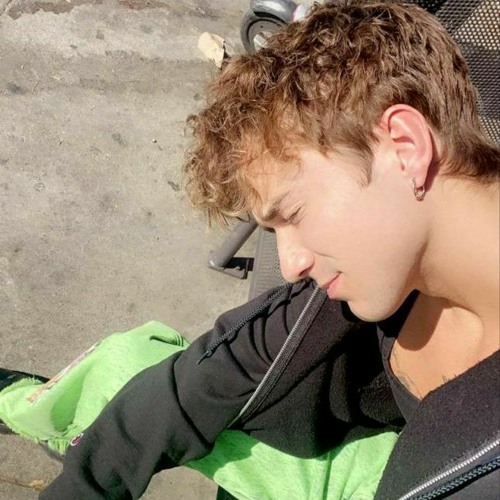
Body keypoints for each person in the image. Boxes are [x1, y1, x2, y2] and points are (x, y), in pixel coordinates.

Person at [39, 1, 499, 498]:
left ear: (405, 147)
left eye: (294, 214)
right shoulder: (379, 280)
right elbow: (210, 374)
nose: (290, 265)